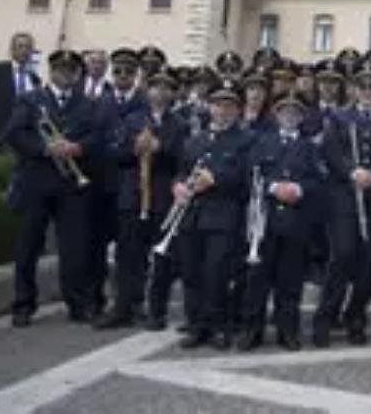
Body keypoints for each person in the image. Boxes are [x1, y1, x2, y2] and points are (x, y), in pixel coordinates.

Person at [4, 49, 97, 326]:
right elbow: (15, 134)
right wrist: (45, 148)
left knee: (74, 248)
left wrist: (78, 147)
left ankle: (77, 303)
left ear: (78, 74)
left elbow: (97, 137)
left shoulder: (88, 105)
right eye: (59, 69)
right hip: (36, 182)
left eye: (70, 70)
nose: (64, 74)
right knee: (28, 246)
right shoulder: (30, 100)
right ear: (51, 71)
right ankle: (23, 304)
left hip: (72, 185)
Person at [312, 59, 371, 347]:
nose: (368, 91)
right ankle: (325, 316)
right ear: (354, 89)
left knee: (368, 264)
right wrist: (352, 172)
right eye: (363, 86)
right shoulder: (338, 117)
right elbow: (330, 151)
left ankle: (356, 317)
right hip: (344, 199)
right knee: (343, 256)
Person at [95, 66, 186, 329]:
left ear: (172, 93)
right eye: (155, 87)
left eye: (166, 88)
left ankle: (156, 311)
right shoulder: (133, 119)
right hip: (132, 195)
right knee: (127, 254)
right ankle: (123, 306)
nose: (160, 92)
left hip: (161, 197)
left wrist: (161, 148)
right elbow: (116, 156)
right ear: (148, 91)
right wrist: (134, 149)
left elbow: (183, 159)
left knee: (160, 259)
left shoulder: (178, 124)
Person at [238, 92, 325, 351]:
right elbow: (250, 175)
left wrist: (299, 189)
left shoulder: (309, 148)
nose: (289, 116)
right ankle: (251, 330)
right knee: (257, 280)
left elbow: (318, 180)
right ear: (276, 115)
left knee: (290, 281)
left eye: (295, 112)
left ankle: (288, 331)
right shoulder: (261, 142)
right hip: (264, 222)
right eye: (284, 111)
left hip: (296, 222)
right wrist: (273, 187)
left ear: (301, 117)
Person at [177, 78, 255, 350]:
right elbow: (182, 170)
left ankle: (220, 325)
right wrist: (177, 186)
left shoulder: (246, 140)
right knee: (191, 271)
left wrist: (217, 178)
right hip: (192, 214)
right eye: (218, 104)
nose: (223, 110)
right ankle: (197, 325)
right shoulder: (194, 140)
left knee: (217, 273)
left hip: (224, 215)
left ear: (238, 110)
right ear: (209, 107)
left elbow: (247, 177)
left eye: (229, 105)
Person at [87, 47, 147, 317]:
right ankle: (96, 299)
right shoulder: (101, 102)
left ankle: (130, 299)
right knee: (96, 245)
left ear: (136, 75)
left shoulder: (144, 104)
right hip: (102, 184)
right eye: (118, 71)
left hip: (130, 185)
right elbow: (93, 138)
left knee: (129, 248)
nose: (123, 76)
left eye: (129, 72)